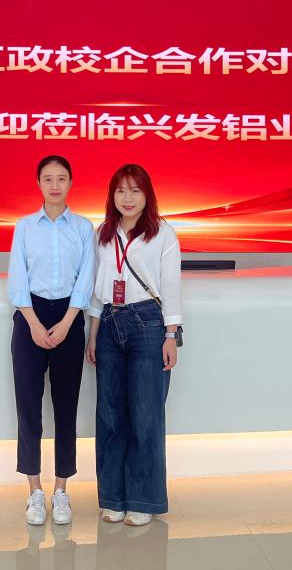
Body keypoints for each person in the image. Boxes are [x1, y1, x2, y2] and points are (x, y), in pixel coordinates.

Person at [85, 163, 182, 526]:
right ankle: (113, 497)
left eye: (135, 190)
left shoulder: (163, 233)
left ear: (147, 195)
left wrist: (171, 335)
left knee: (145, 414)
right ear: (112, 195)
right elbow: (98, 288)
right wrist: (93, 334)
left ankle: (143, 500)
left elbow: (171, 287)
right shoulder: (103, 234)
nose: (128, 198)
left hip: (148, 325)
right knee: (110, 414)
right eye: (121, 190)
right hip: (110, 322)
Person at [7, 155, 95, 526]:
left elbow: (86, 279)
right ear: (38, 184)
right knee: (28, 408)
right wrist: (33, 323)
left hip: (69, 319)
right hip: (30, 317)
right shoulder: (25, 227)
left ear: (71, 183)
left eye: (61, 178)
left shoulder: (84, 228)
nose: (55, 185)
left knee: (65, 409)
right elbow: (17, 278)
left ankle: (61, 490)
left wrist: (67, 322)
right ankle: (34, 492)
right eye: (48, 179)